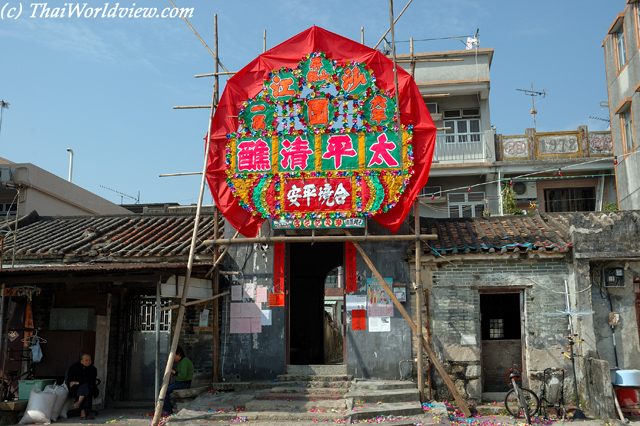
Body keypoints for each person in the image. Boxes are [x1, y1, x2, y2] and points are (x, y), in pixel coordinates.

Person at [163, 346, 194, 416]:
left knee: (165, 391)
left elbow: (183, 376)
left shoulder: (185, 361)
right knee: (163, 388)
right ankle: (167, 408)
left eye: (174, 356)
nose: (173, 358)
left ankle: (167, 409)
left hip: (184, 383)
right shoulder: (181, 361)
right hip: (180, 382)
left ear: (178, 354)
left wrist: (173, 372)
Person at [65, 353, 97, 420]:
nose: (88, 362)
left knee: (85, 387)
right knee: (84, 389)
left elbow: (90, 380)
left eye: (89, 360)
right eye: (86, 360)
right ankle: (81, 408)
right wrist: (78, 382)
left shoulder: (93, 369)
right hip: (75, 388)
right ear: (81, 361)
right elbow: (69, 379)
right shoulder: (74, 367)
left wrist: (78, 382)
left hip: (89, 387)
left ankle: (79, 404)